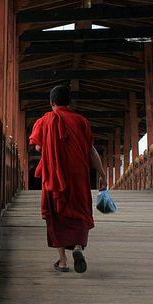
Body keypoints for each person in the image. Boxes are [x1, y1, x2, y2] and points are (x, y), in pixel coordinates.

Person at [29, 85, 107, 273]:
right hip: (78, 176)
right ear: (69, 102)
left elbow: (38, 148)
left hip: (53, 175)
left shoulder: (44, 121)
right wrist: (102, 173)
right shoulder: (81, 121)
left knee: (56, 215)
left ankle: (63, 261)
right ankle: (79, 247)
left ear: (51, 102)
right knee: (79, 211)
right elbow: (90, 150)